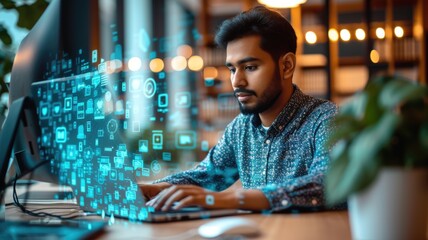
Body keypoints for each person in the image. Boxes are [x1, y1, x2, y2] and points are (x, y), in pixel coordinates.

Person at [139, 5, 337, 212]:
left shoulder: (325, 119)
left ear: (286, 66)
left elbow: (327, 183)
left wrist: (231, 199)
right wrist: (154, 189)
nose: (236, 81)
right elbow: (205, 176)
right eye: (232, 69)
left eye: (250, 67)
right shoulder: (240, 129)